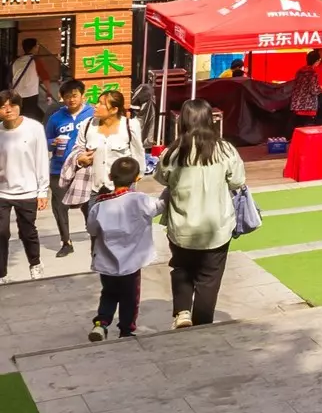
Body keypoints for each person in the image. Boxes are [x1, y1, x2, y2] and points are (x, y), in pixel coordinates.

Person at [156, 99, 247, 326]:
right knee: (209, 279)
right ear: (210, 120)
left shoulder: (173, 152)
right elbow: (238, 181)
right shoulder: (225, 149)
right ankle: (203, 322)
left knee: (181, 267)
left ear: (182, 122)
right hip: (217, 227)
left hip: (181, 226)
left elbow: (160, 178)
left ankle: (183, 311)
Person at [85, 156, 158, 341]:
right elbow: (159, 207)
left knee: (108, 294)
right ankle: (126, 329)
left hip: (106, 263)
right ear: (137, 178)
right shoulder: (140, 199)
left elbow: (91, 229)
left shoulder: (99, 205)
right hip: (131, 264)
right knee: (130, 298)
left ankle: (101, 324)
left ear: (110, 176)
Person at [0, 90, 48, 282]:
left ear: (20, 107)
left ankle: (35, 263)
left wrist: (42, 190)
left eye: (12, 105)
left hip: (27, 190)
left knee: (27, 232)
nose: (8, 110)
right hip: (2, 191)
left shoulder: (34, 128)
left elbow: (41, 159)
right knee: (0, 232)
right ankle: (1, 273)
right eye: (3, 107)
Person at [64, 87, 144, 201]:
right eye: (97, 102)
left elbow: (138, 154)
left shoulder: (130, 126)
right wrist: (80, 159)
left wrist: (137, 176)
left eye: (101, 104)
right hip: (93, 190)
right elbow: (78, 148)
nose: (96, 106)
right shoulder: (87, 125)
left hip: (122, 191)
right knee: (93, 218)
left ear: (114, 109)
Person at [45, 79, 94, 258]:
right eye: (67, 97)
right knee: (59, 206)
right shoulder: (55, 118)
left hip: (85, 168)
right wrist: (53, 142)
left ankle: (95, 237)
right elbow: (45, 142)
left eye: (74, 95)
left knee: (89, 204)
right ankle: (66, 242)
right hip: (59, 168)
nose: (71, 100)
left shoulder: (93, 113)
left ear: (82, 95)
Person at [9, 38, 51, 121]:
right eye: (37, 45)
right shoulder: (36, 61)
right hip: (30, 95)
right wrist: (48, 92)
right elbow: (45, 77)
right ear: (33, 47)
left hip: (16, 95)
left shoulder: (15, 61)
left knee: (18, 118)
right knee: (30, 119)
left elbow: (10, 79)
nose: (38, 47)